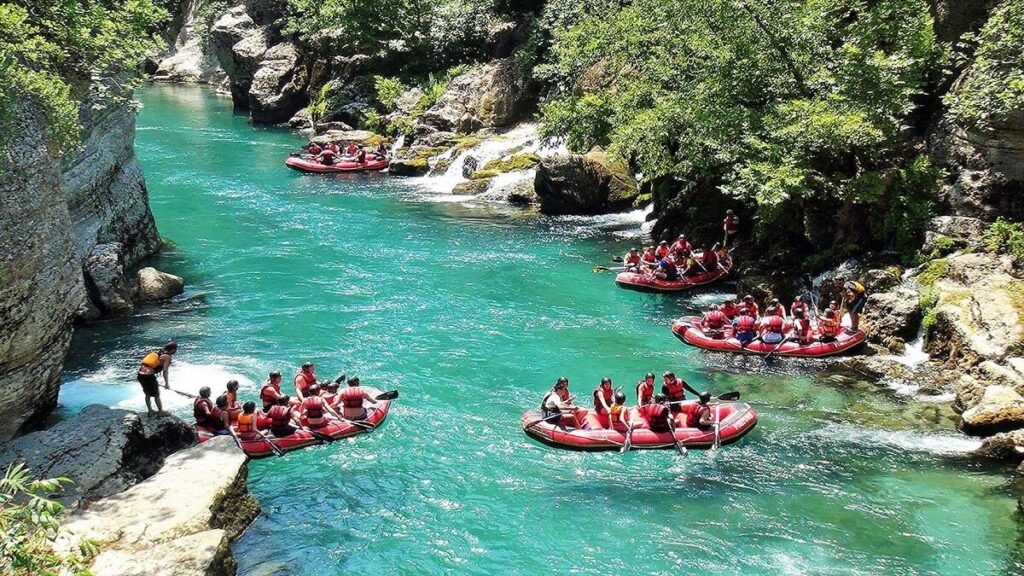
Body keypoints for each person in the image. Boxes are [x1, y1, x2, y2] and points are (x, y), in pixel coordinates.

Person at [138, 341, 177, 416]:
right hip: (149, 376)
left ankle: (150, 411)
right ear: (172, 350)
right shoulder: (167, 357)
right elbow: (165, 371)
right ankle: (160, 412)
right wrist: (167, 384)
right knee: (156, 395)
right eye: (175, 349)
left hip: (140, 375)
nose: (175, 351)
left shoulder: (159, 353)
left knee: (147, 393)